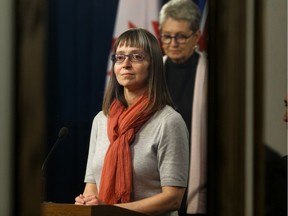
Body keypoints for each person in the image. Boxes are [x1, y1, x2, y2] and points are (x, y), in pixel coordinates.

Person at [75, 28, 189, 216]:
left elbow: (173, 198)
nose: (126, 64)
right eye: (119, 57)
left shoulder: (169, 122)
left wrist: (110, 211)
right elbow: (92, 186)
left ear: (153, 65)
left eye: (136, 56)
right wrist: (89, 202)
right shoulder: (101, 119)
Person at [159, 0, 208, 216]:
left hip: (197, 169)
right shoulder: (151, 72)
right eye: (167, 36)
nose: (173, 43)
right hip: (158, 174)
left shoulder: (211, 74)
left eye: (181, 36)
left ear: (196, 36)